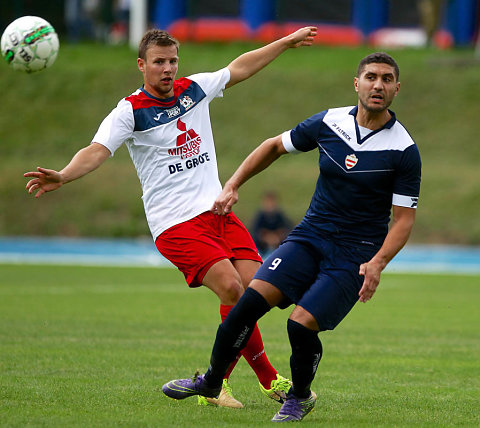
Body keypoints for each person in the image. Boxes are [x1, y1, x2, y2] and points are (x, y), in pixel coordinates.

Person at [24, 26, 318, 408]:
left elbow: (239, 68)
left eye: (172, 61)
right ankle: (267, 380)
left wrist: (285, 42)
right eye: (159, 62)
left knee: (259, 289)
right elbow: (97, 150)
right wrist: (63, 175)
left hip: (218, 213)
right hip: (175, 223)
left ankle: (214, 384)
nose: (167, 69)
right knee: (232, 288)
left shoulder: (194, 89)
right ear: (141, 65)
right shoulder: (129, 111)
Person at [161, 52, 422, 422]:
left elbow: (403, 221)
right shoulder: (330, 122)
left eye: (386, 79)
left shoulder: (404, 150)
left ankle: (300, 396)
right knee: (246, 306)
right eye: (370, 77)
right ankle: (212, 382)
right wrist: (232, 184)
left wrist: (377, 262)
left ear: (397, 88)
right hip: (309, 236)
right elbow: (272, 146)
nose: (377, 85)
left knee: (300, 324)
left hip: (355, 254)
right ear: (357, 83)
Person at [251, 191, 292, 257]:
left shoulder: (280, 216)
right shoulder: (260, 217)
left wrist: (277, 237)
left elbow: (287, 230)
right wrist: (266, 238)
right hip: (262, 250)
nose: (270, 205)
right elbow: (255, 233)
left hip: (278, 250)